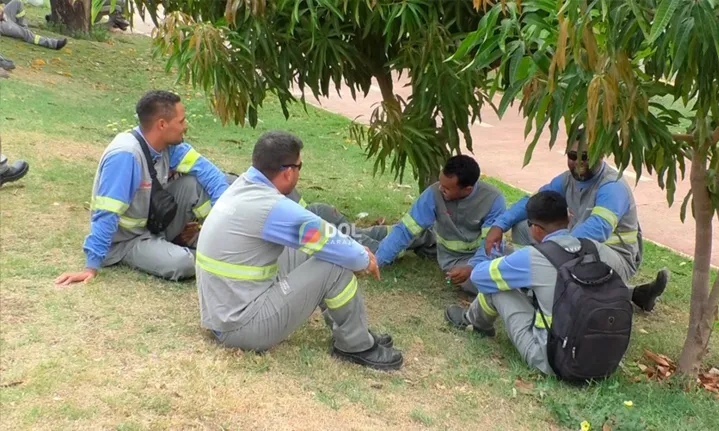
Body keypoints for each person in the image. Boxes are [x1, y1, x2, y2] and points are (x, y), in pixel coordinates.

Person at [195, 131, 403, 370]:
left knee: (329, 251)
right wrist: (363, 258)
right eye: (300, 166)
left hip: (223, 313)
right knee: (334, 264)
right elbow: (323, 237)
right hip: (241, 326)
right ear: (288, 171)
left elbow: (323, 240)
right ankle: (355, 344)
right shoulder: (270, 206)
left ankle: (349, 328)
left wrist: (351, 250)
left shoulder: (243, 185)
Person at [445, 191, 666, 375]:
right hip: (605, 359)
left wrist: (497, 259)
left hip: (554, 360)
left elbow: (479, 277)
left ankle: (474, 323)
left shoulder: (532, 257)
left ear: (535, 229)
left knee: (497, 287)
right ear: (569, 218)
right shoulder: (595, 248)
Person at [55, 90, 231, 285]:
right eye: (181, 121)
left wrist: (218, 226)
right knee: (183, 263)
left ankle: (213, 242)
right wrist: (91, 266)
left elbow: (213, 177)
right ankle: (199, 253)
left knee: (196, 185)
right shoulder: (126, 155)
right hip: (126, 241)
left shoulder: (171, 147)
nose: (185, 127)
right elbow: (107, 212)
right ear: (162, 125)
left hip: (154, 225)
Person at [483, 128, 668, 310]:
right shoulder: (566, 180)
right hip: (579, 246)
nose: (578, 162)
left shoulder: (612, 186)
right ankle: (634, 294)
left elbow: (598, 229)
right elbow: (534, 203)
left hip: (614, 257)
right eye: (573, 155)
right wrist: (500, 225)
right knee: (525, 226)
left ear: (601, 154)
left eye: (586, 156)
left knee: (584, 249)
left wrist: (551, 250)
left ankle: (536, 282)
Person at [374, 155, 506, 294]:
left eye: (447, 188)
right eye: (440, 183)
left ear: (467, 189)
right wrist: (378, 262)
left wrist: (471, 266)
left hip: (482, 258)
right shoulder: (434, 192)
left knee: (500, 274)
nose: (440, 188)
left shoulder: (493, 200)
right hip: (452, 259)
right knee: (482, 282)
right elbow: (406, 229)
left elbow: (491, 246)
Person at [0, 0, 67, 50]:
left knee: (17, 2)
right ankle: (54, 44)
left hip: (3, 16)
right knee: (25, 33)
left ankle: (23, 28)